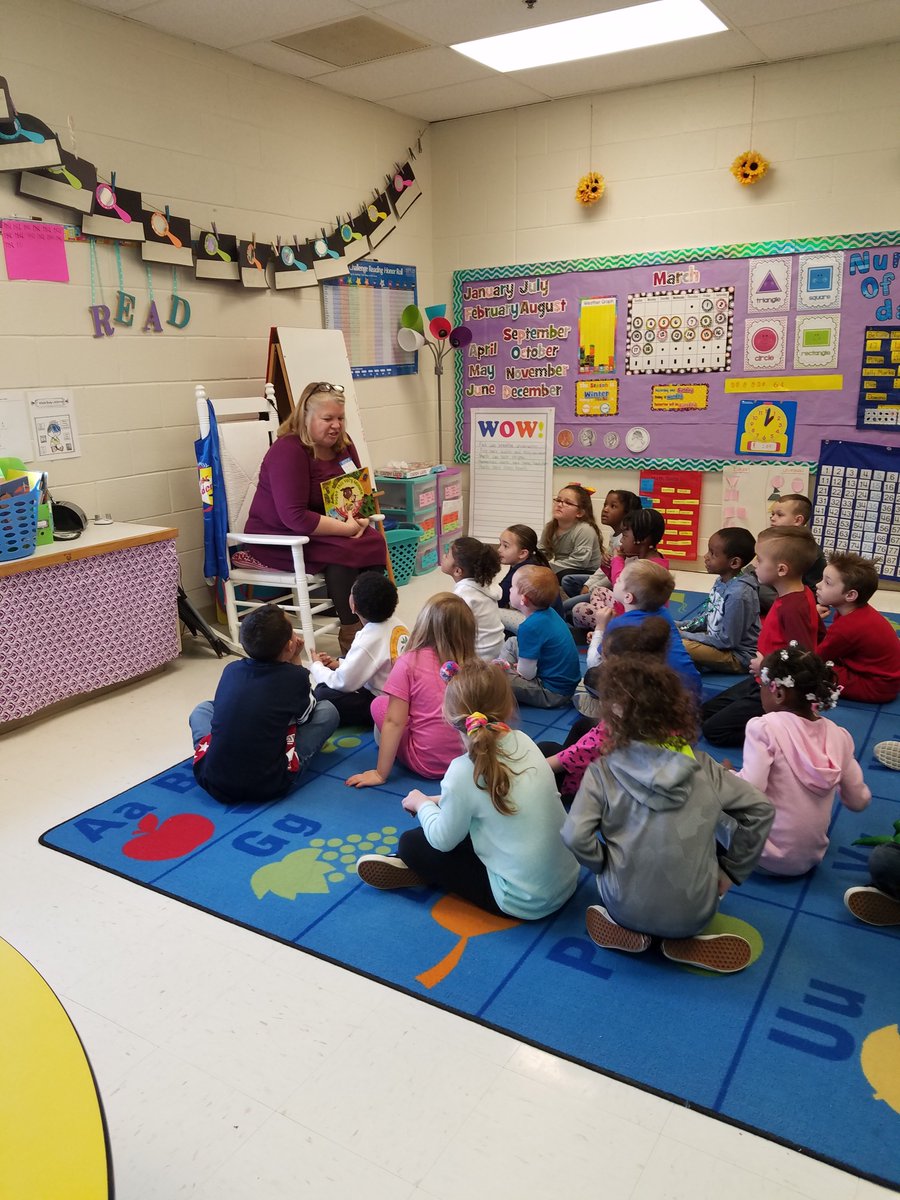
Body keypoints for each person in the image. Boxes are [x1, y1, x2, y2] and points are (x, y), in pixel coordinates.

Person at [561, 655, 774, 973]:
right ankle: (682, 935)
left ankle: (630, 927)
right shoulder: (706, 769)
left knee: (620, 875)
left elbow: (574, 835)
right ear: (676, 712)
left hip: (621, 904)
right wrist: (731, 871)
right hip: (696, 911)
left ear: (613, 718)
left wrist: (603, 863)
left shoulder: (601, 772)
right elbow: (762, 811)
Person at [355, 659, 579, 920]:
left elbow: (442, 840)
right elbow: (484, 794)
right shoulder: (524, 740)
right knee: (469, 821)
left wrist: (421, 803)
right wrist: (439, 800)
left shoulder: (462, 770)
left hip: (524, 900)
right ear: (508, 706)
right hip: (566, 879)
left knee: (413, 843)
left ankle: (419, 868)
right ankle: (428, 868)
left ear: (449, 717)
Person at [240, 381, 386, 654]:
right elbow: (294, 517)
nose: (336, 426)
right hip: (278, 534)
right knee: (345, 550)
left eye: (340, 418)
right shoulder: (289, 450)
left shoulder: (343, 444)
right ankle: (351, 631)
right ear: (306, 418)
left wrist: (361, 518)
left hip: (325, 526)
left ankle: (376, 622)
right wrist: (345, 530)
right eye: (327, 418)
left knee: (372, 541)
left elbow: (357, 492)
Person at [733, 644, 870, 876]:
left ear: (778, 693)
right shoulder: (840, 735)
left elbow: (750, 791)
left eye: (762, 686)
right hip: (810, 858)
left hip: (761, 856)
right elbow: (859, 801)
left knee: (707, 790)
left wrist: (726, 777)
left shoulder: (764, 728)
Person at [190, 604, 339, 805]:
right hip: (270, 783)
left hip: (214, 781)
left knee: (203, 710)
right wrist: (296, 659)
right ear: (289, 646)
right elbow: (306, 716)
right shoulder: (294, 677)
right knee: (327, 711)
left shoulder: (231, 669)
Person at [701, 525, 824, 747]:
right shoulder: (794, 595)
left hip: (777, 689)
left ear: (782, 569)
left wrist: (766, 665)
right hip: (762, 678)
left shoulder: (793, 606)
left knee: (714, 732)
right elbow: (820, 633)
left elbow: (803, 658)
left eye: (759, 560)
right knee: (703, 713)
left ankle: (783, 731)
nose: (754, 565)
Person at [345, 593, 475, 787]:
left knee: (380, 704)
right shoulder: (473, 663)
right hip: (469, 759)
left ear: (423, 625)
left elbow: (393, 721)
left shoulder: (409, 661)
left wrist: (380, 774)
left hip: (427, 763)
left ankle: (390, 750)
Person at [540, 617, 672, 801]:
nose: (601, 664)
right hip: (636, 765)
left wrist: (528, 770)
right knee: (583, 725)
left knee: (545, 749)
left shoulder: (611, 731)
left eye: (605, 660)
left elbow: (562, 760)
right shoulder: (655, 689)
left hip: (605, 788)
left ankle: (567, 790)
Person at [586, 559, 701, 699]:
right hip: (692, 696)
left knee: (592, 677)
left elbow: (595, 661)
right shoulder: (663, 613)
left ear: (628, 597)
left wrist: (600, 627)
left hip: (656, 703)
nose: (615, 581)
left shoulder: (619, 625)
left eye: (619, 580)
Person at [310, 573, 408, 727]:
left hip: (386, 705)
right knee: (343, 660)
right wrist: (338, 664)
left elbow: (343, 683)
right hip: (402, 695)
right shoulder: (398, 624)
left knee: (323, 692)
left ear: (353, 605)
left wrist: (316, 666)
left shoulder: (368, 639)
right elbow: (374, 660)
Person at [815, 552, 900, 703]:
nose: (818, 585)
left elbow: (817, 657)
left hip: (877, 687)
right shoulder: (853, 612)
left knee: (813, 671)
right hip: (884, 678)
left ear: (850, 595)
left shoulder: (847, 627)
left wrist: (809, 620)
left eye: (827, 583)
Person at [495, 565, 581, 707]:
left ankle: (502, 675)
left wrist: (518, 670)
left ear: (524, 599)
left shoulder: (530, 627)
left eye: (512, 587)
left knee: (498, 678)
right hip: (565, 684)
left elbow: (527, 674)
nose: (509, 589)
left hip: (552, 692)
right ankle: (505, 667)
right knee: (512, 641)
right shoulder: (549, 612)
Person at [678, 527, 760, 673]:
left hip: (738, 656)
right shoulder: (721, 581)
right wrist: (681, 626)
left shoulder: (738, 595)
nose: (705, 556)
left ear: (734, 563)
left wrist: (684, 635)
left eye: (713, 554)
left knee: (677, 644)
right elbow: (709, 617)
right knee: (672, 632)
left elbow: (727, 641)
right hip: (718, 642)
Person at [572, 506, 667, 629]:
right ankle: (604, 623)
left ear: (641, 540)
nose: (621, 541)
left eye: (625, 536)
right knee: (599, 591)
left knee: (579, 609)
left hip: (633, 624)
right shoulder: (643, 558)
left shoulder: (651, 568)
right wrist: (607, 565)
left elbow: (620, 587)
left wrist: (618, 560)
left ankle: (603, 629)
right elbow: (619, 585)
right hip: (625, 608)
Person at [559, 489, 642, 610]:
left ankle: (584, 608)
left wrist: (591, 587)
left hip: (614, 586)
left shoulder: (626, 542)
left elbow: (613, 577)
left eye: (613, 506)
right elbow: (604, 568)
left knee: (565, 606)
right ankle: (586, 606)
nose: (605, 509)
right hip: (606, 578)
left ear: (627, 513)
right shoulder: (614, 536)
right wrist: (588, 585)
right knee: (568, 581)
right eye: (605, 505)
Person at [745, 492, 825, 615]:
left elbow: (815, 590)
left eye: (780, 515)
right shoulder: (773, 542)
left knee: (746, 586)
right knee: (744, 582)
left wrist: (811, 609)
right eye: (772, 514)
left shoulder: (809, 550)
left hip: (787, 601)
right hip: (769, 593)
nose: (772, 518)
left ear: (798, 520)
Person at [441, 536, 505, 660]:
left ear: (458, 571)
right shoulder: (486, 583)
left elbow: (451, 632)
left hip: (478, 658)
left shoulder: (463, 595)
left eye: (447, 555)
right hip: (497, 650)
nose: (443, 556)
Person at [496, 524, 563, 631]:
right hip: (552, 620)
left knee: (487, 611)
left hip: (544, 626)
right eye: (500, 544)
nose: (499, 549)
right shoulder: (529, 561)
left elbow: (499, 599)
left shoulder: (523, 571)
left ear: (523, 553)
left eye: (505, 546)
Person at [539, 483, 603, 581]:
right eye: (558, 500)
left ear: (580, 513)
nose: (560, 504)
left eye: (568, 503)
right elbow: (542, 552)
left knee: (560, 575)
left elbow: (579, 562)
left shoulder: (585, 529)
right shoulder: (550, 527)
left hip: (587, 573)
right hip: (564, 569)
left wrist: (547, 567)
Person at [844, 820, 900, 926]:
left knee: (887, 865)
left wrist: (863, 841)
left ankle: (882, 888)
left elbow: (883, 838)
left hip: (883, 857)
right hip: (890, 858)